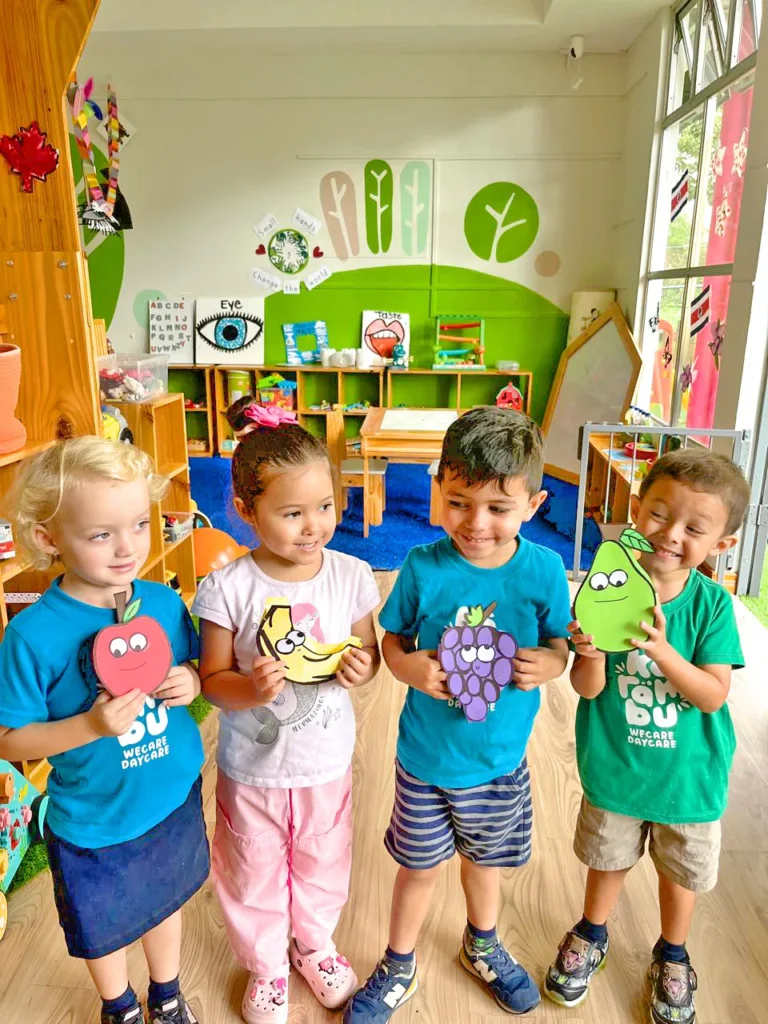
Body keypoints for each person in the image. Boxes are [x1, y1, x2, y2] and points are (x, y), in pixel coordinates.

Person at [344, 406, 571, 1022]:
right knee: (417, 869)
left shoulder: (545, 570)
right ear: (439, 488)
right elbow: (393, 639)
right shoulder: (422, 565)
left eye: (498, 507)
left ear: (533, 504)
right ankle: (399, 961)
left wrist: (552, 663)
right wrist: (406, 667)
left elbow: (560, 643)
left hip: (498, 761)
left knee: (485, 865)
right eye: (459, 502)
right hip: (425, 760)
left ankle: (483, 944)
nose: (476, 523)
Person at [0, 437, 208, 1024]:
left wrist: (191, 681)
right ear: (49, 539)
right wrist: (89, 725)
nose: (128, 547)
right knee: (104, 923)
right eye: (100, 534)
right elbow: (9, 739)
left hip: (171, 797)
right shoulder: (31, 635)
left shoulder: (162, 602)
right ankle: (119, 1007)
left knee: (166, 900)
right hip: (96, 820)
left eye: (139, 524)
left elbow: (192, 667)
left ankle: (167, 994)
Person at [544, 447, 749, 1024]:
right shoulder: (606, 588)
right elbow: (587, 689)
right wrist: (589, 654)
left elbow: (711, 694)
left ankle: (673, 953)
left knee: (680, 872)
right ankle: (592, 931)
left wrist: (661, 650)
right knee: (607, 857)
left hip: (689, 777)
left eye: (694, 528)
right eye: (659, 514)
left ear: (722, 544)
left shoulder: (712, 606)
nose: (671, 534)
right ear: (636, 508)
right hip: (616, 764)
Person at [193, 399, 381, 1024]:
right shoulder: (228, 587)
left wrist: (361, 668)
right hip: (253, 768)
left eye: (325, 506)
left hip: (325, 762)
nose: (313, 526)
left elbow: (369, 656)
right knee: (251, 867)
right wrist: (251, 689)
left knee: (324, 858)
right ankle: (267, 965)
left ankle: (315, 946)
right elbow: (212, 681)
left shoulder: (352, 575)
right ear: (245, 511)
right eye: (292, 513)